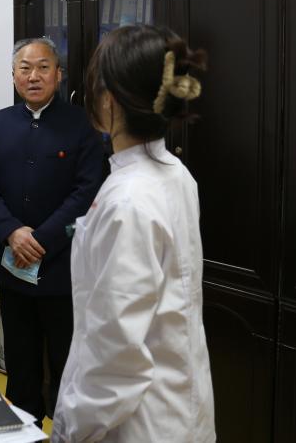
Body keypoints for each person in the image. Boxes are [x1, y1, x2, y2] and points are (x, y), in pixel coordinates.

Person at [52, 24, 214, 442]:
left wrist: (71, 431)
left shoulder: (127, 201)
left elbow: (115, 356)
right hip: (177, 401)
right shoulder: (175, 173)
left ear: (108, 100)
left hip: (138, 422)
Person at [0, 37, 103, 425]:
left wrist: (41, 239)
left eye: (43, 67)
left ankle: (64, 428)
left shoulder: (81, 124)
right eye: (25, 68)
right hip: (13, 268)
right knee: (20, 361)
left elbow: (87, 190)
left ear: (58, 75)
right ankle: (24, 425)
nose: (34, 76)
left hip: (62, 268)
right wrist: (12, 232)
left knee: (66, 362)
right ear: (13, 76)